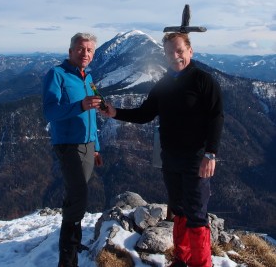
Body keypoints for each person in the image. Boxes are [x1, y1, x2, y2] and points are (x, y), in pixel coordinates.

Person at [101, 32, 224, 267]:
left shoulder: (203, 80)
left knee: (197, 214)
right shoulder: (164, 84)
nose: (174, 56)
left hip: (196, 158)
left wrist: (211, 154)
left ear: (190, 51)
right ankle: (181, 258)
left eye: (179, 50)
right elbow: (145, 113)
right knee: (178, 210)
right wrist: (116, 112)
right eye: (169, 52)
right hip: (171, 158)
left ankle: (201, 264)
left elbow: (216, 117)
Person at [42, 32, 103, 267]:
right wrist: (79, 105)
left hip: (88, 145)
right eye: (80, 48)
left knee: (76, 195)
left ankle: (74, 241)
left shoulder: (89, 77)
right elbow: (50, 111)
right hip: (68, 145)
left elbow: (91, 117)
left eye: (89, 50)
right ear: (70, 51)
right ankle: (67, 260)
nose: (85, 53)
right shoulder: (56, 74)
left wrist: (96, 147)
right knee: (78, 197)